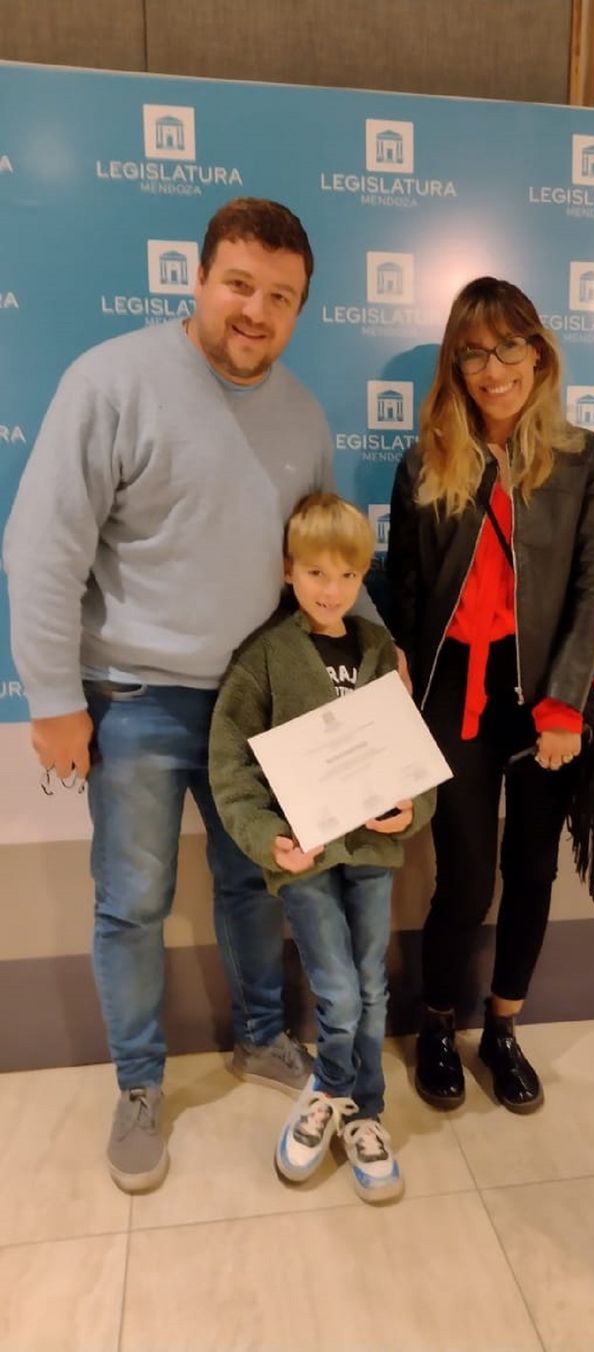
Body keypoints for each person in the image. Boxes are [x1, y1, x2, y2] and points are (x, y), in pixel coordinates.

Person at [3, 197, 377, 1194]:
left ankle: (262, 1034)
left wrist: (372, 687)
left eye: (281, 296)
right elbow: (43, 551)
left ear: (300, 309)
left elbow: (328, 566)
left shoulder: (300, 414)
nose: (255, 310)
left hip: (260, 708)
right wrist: (51, 698)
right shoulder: (112, 381)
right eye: (239, 285)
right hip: (130, 702)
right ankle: (137, 1083)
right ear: (199, 279)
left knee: (258, 883)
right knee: (132, 902)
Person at [386, 276, 594, 1114]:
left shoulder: (585, 457)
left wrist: (561, 707)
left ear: (539, 353)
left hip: (542, 703)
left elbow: (592, 587)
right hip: (454, 700)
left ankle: (503, 1028)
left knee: (532, 871)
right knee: (468, 878)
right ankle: (438, 1024)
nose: (492, 369)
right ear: (457, 364)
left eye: (507, 347)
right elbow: (404, 589)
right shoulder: (427, 459)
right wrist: (398, 671)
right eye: (473, 353)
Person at [209, 493, 434, 1202]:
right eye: (314, 574)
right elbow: (230, 764)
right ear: (288, 572)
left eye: (345, 575)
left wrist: (412, 809)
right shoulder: (266, 658)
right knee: (338, 987)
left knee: (369, 983)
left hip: (369, 853)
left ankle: (360, 1112)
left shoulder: (376, 651)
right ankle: (336, 1091)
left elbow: (409, 756)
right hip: (304, 859)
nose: (330, 590)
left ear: (364, 574)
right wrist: (266, 837)